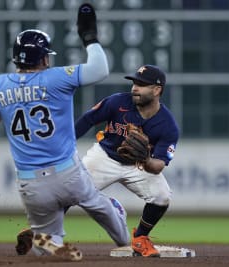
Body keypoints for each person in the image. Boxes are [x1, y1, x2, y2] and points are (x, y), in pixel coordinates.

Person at [0, 3, 129, 261]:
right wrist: (89, 37)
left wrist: (7, 107)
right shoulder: (56, 78)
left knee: (43, 241)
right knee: (101, 207)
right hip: (68, 173)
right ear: (44, 58)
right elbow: (100, 70)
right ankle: (124, 239)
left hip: (31, 183)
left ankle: (47, 241)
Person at [75, 64, 179, 257]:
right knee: (70, 191)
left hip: (138, 165)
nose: (135, 88)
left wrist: (146, 158)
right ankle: (46, 233)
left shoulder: (168, 125)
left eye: (142, 84)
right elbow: (87, 120)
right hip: (105, 157)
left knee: (162, 196)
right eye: (134, 83)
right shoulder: (117, 102)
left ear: (157, 90)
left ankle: (140, 238)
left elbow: (158, 166)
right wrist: (65, 146)